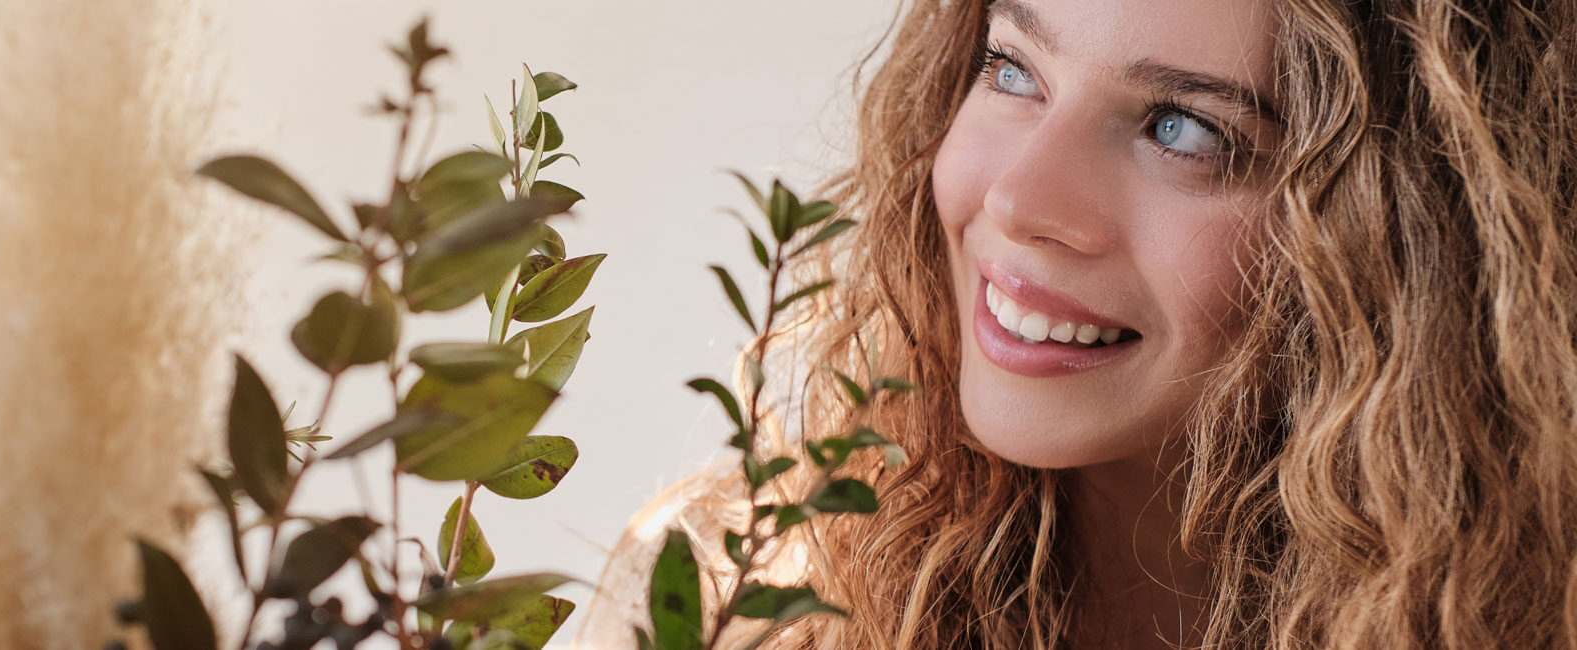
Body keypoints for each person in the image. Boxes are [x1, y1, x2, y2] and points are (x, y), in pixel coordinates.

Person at [580, 0, 1577, 647]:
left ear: (1419, 236)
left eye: (1183, 129)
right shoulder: (723, 597)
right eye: (1013, 70)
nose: (1019, 200)